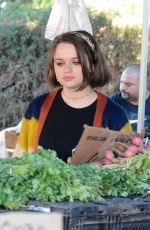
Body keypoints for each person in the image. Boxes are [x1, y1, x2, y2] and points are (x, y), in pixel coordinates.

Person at [13, 30, 132, 162]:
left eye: (76, 62)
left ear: (92, 66)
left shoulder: (114, 115)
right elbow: (18, 162)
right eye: (60, 63)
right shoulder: (37, 108)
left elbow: (127, 168)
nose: (67, 69)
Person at [110, 64, 150, 138]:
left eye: (128, 85)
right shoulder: (114, 101)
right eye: (121, 82)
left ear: (143, 84)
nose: (122, 88)